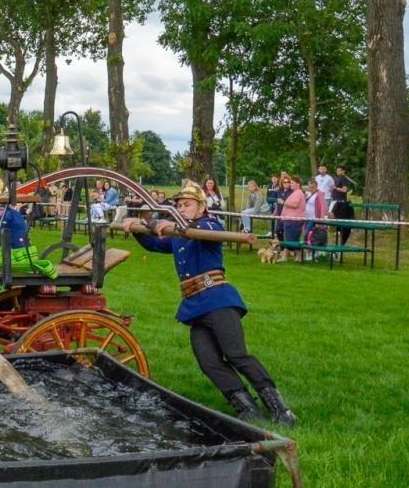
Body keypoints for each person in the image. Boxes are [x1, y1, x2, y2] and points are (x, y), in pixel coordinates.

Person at [120, 182, 295, 425]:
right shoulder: (180, 234)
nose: (182, 208)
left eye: (187, 204)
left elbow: (203, 228)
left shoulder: (208, 225)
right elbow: (155, 243)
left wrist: (168, 224)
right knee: (208, 361)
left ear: (201, 206)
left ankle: (281, 410)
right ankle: (247, 409)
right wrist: (138, 226)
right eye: (179, 205)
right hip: (195, 305)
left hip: (218, 300)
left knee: (236, 355)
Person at [330, 166, 356, 244]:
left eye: (339, 170)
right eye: (337, 170)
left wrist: (336, 188)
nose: (338, 172)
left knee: (333, 215)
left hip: (340, 202)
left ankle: (338, 232)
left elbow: (345, 190)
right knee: (332, 216)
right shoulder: (337, 179)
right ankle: (336, 231)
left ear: (343, 171)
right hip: (335, 199)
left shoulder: (344, 179)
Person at [278, 175, 306, 245]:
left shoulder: (298, 193)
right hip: (291, 220)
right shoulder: (295, 193)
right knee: (291, 241)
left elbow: (295, 205)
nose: (290, 184)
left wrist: (283, 202)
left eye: (292, 183)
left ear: (298, 184)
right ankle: (286, 255)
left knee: (291, 242)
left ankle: (287, 255)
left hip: (293, 221)